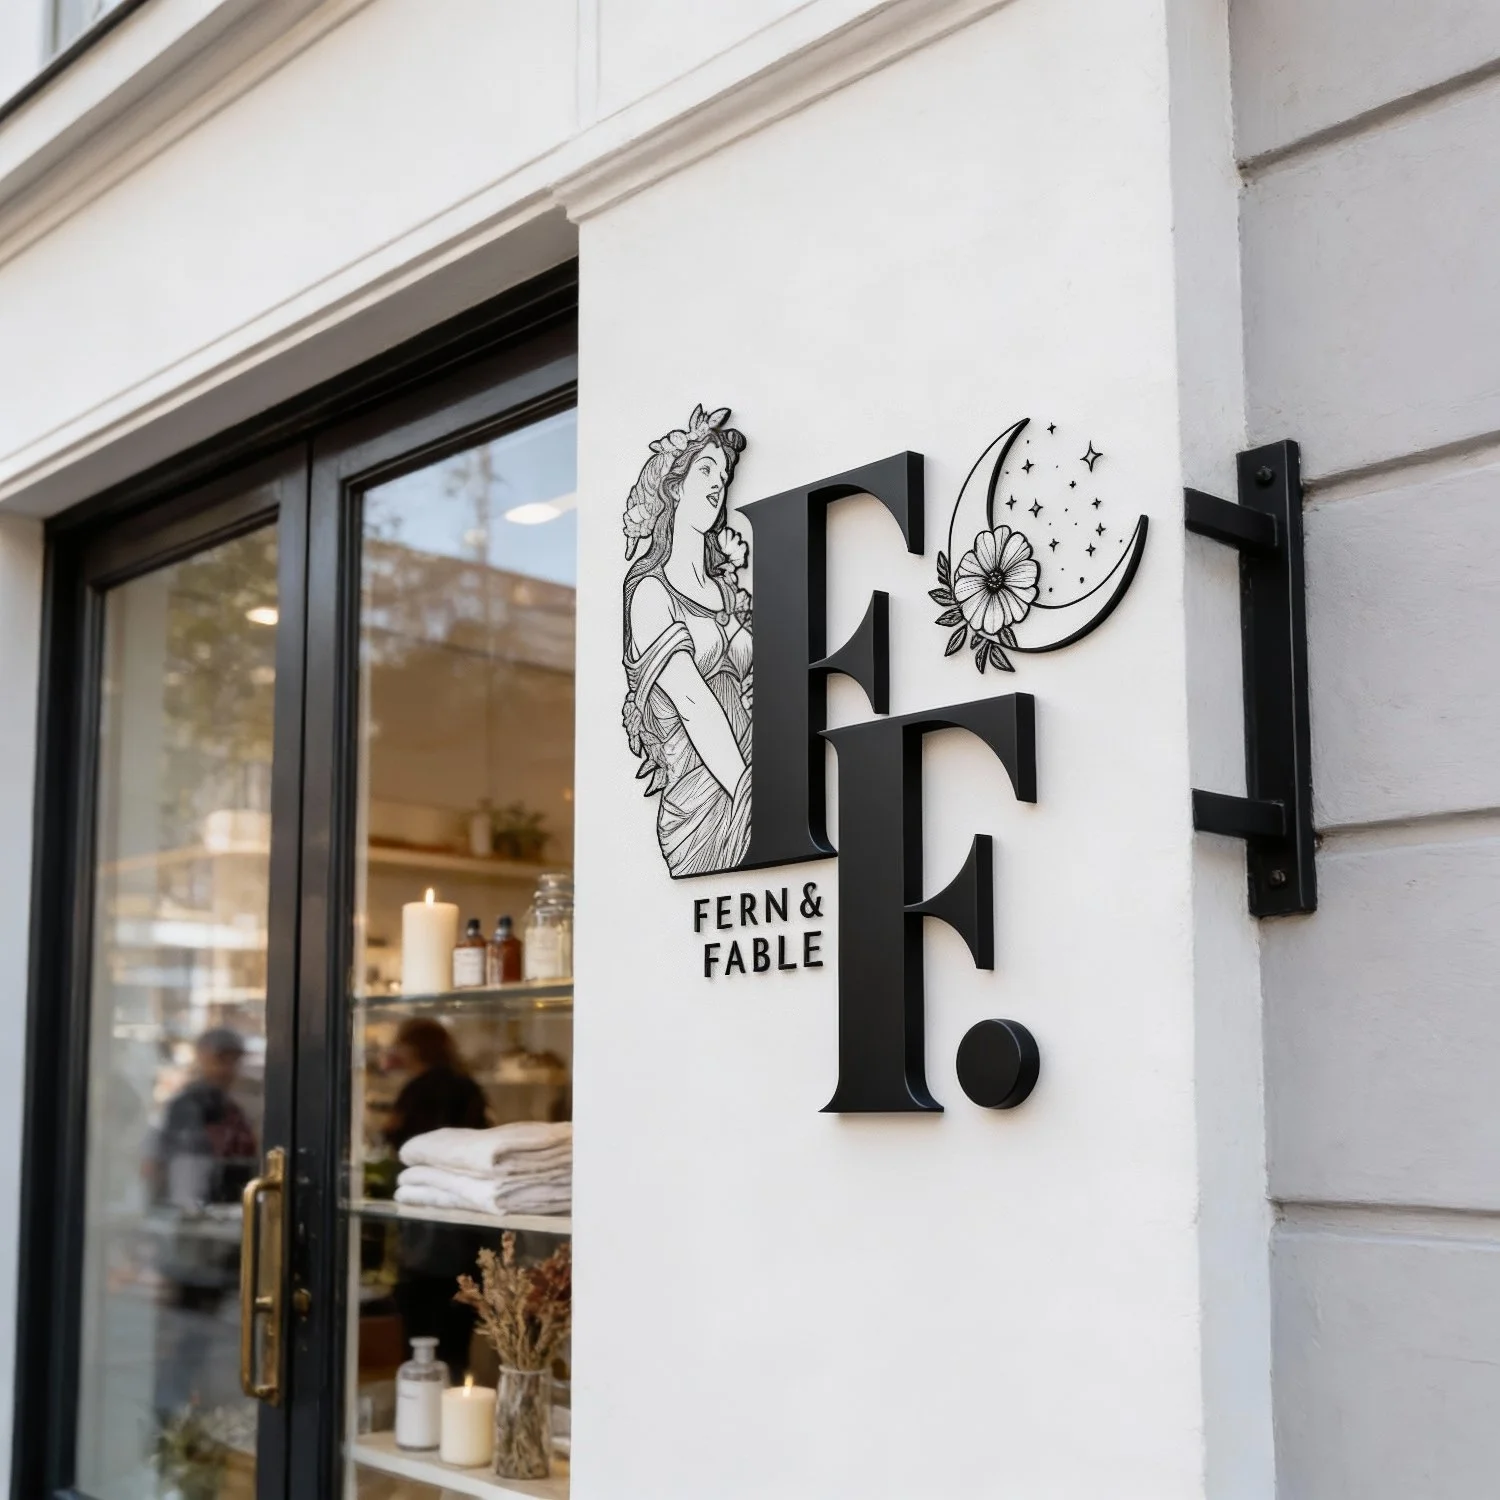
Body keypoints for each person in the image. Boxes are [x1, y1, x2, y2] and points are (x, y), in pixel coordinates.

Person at [622, 404, 753, 876]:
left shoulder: (727, 590)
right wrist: (750, 796)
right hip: (704, 807)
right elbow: (693, 702)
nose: (719, 482)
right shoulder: (650, 594)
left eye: (724, 471)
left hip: (756, 776)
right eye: (705, 469)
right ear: (675, 487)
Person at [147, 1027, 259, 1418]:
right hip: (196, 1237)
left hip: (224, 1234)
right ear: (203, 1056)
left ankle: (195, 1414)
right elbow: (177, 1174)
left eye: (233, 1059)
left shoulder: (230, 1107)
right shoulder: (190, 1105)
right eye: (222, 1058)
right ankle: (172, 1414)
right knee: (188, 1334)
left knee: (208, 1333)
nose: (228, 1067)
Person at [384, 1017, 490, 1379]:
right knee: (455, 1342)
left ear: (414, 1048)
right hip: (466, 1229)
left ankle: (419, 1415)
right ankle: (453, 1400)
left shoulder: (418, 1091)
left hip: (425, 1239)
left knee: (420, 1342)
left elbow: (399, 1144)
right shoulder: (467, 1087)